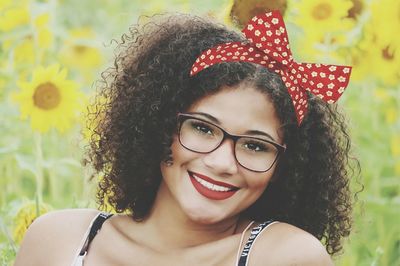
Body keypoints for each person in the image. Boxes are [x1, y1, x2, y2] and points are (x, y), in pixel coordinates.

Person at [14, 11, 358, 266]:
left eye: (255, 146)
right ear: (158, 124)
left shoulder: (283, 256)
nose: (222, 162)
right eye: (203, 128)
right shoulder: (58, 240)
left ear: (285, 168)